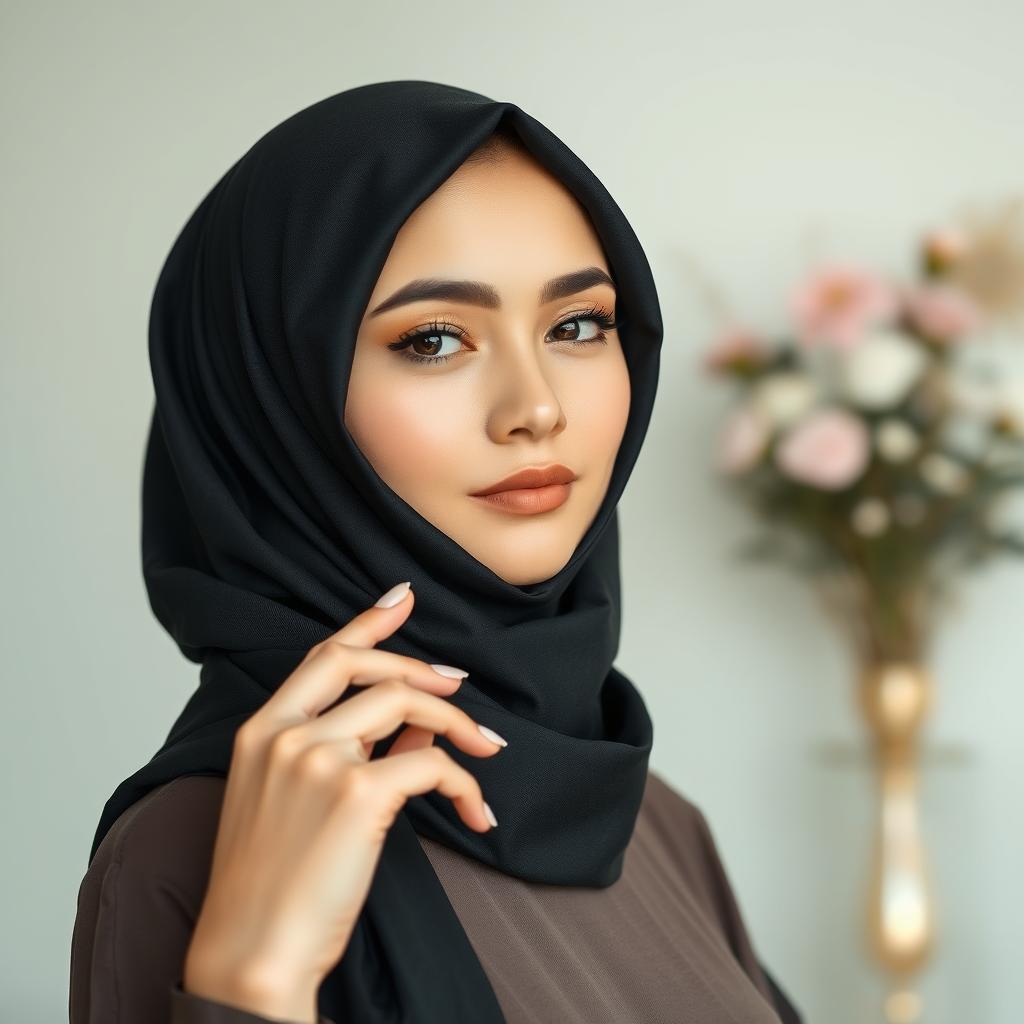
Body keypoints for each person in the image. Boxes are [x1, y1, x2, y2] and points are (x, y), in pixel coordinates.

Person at [70, 80, 803, 1024]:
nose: (537, 407)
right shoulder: (194, 844)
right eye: (434, 339)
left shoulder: (648, 815)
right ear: (275, 405)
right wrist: (254, 980)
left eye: (577, 325)